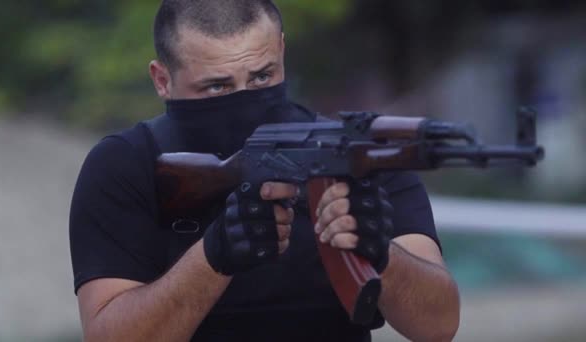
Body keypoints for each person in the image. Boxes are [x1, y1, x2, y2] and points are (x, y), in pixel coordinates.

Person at [69, 0, 460, 341]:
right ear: (162, 80)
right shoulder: (125, 166)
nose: (246, 102)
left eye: (262, 77)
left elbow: (439, 325)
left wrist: (380, 252)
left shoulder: (356, 152)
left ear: (282, 52)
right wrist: (214, 255)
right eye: (216, 88)